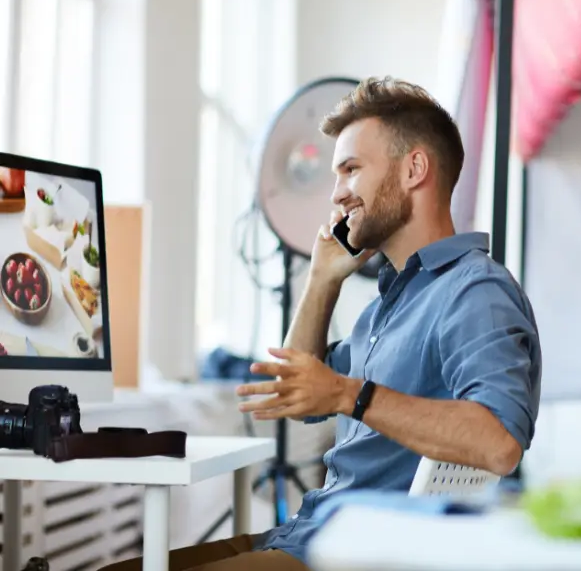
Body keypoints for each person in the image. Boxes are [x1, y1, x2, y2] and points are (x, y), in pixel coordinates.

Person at [103, 77, 542, 571]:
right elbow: (290, 394)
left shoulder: (473, 292)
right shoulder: (390, 304)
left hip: (357, 552)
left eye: (351, 170)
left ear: (415, 169)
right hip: (311, 530)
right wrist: (321, 279)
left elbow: (499, 443)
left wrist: (347, 395)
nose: (337, 195)